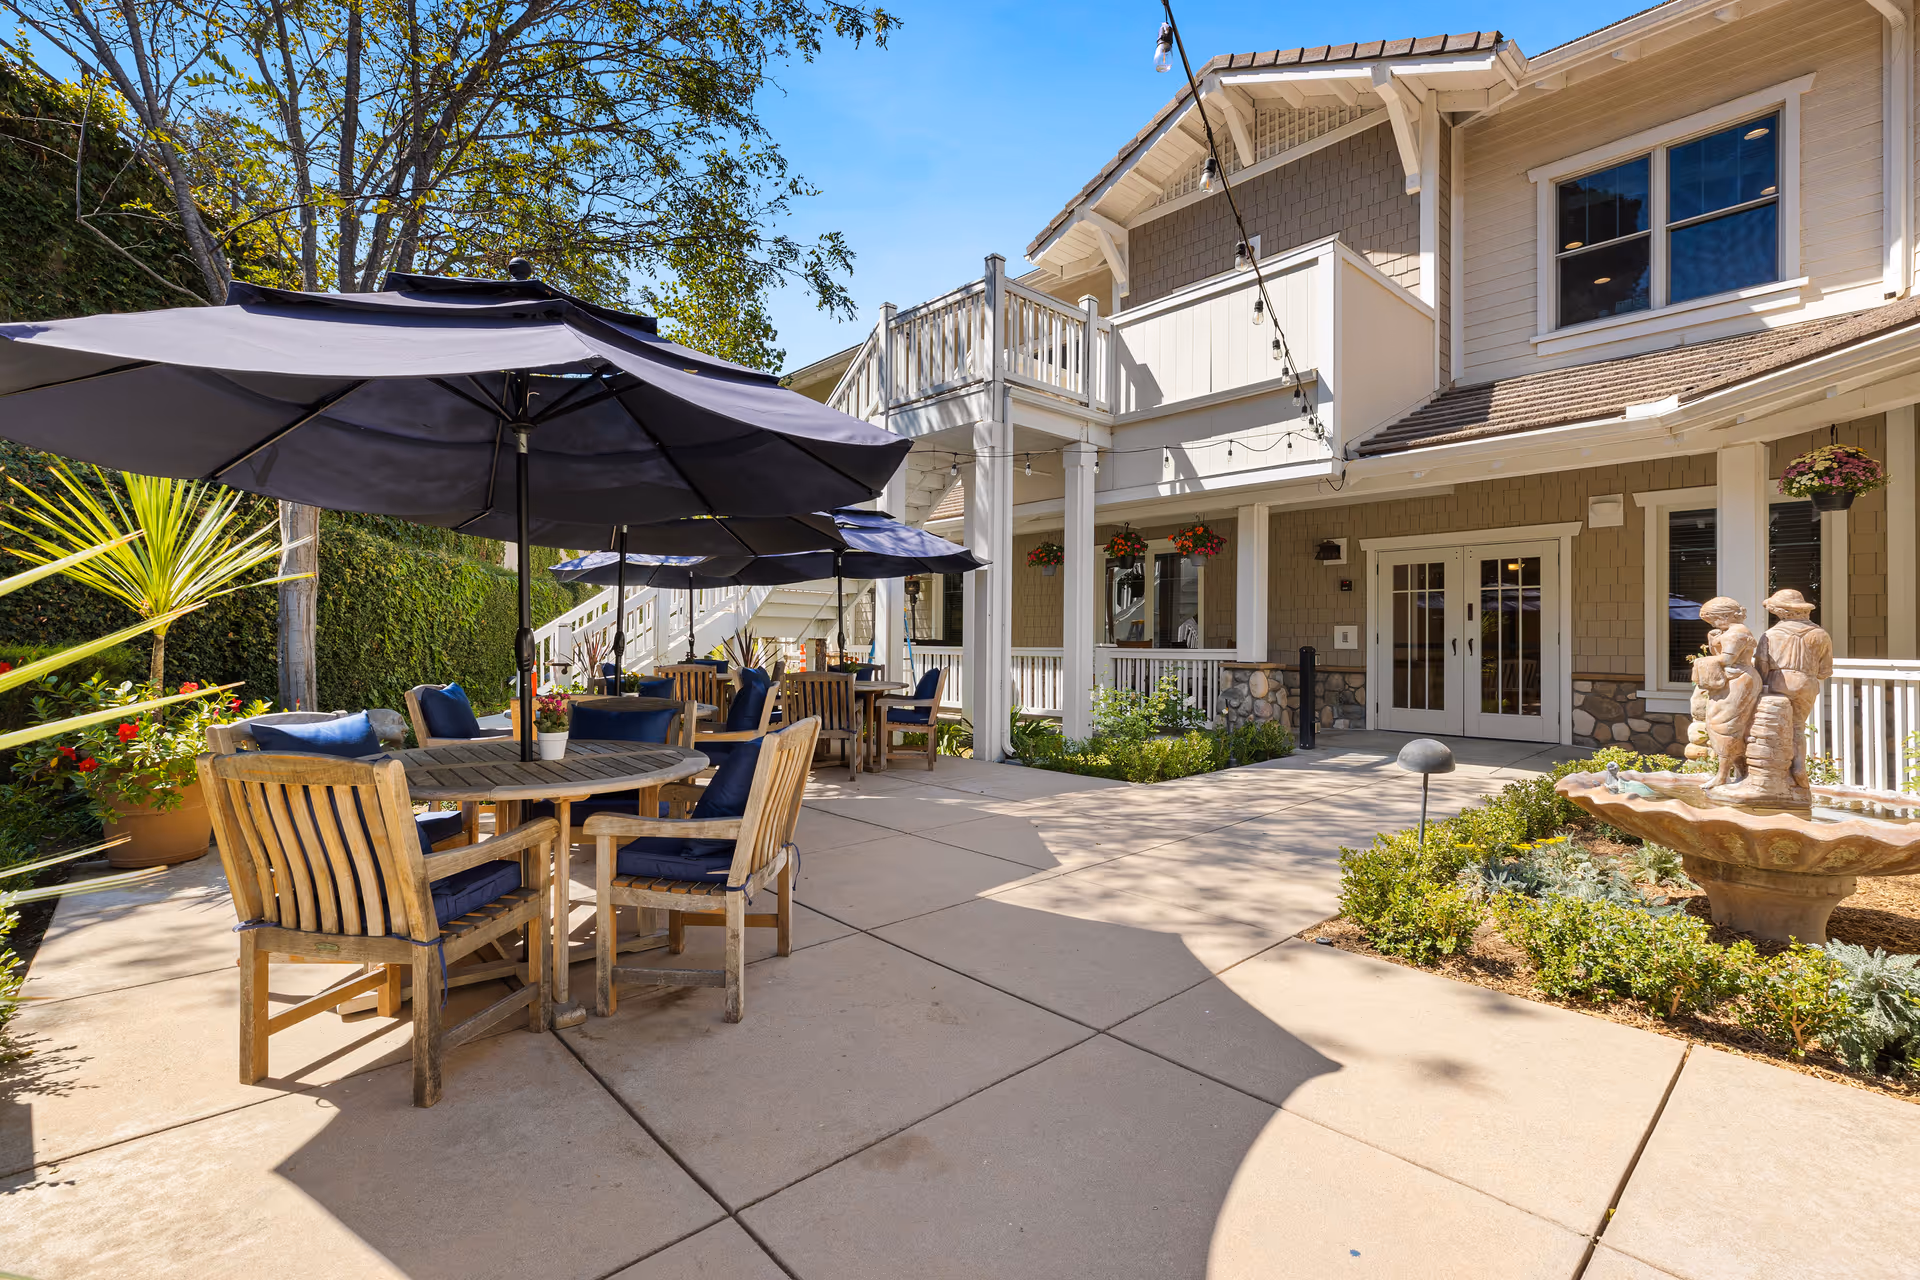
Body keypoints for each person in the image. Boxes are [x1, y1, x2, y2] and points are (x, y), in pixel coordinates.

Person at [1755, 589, 1832, 788]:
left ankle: (1776, 771)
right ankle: (1799, 767)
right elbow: (1825, 671)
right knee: (1797, 727)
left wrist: (1761, 684)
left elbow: (1762, 665)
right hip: (1807, 683)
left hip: (1778, 681)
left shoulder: (1770, 635)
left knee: (1775, 727)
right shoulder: (1821, 634)